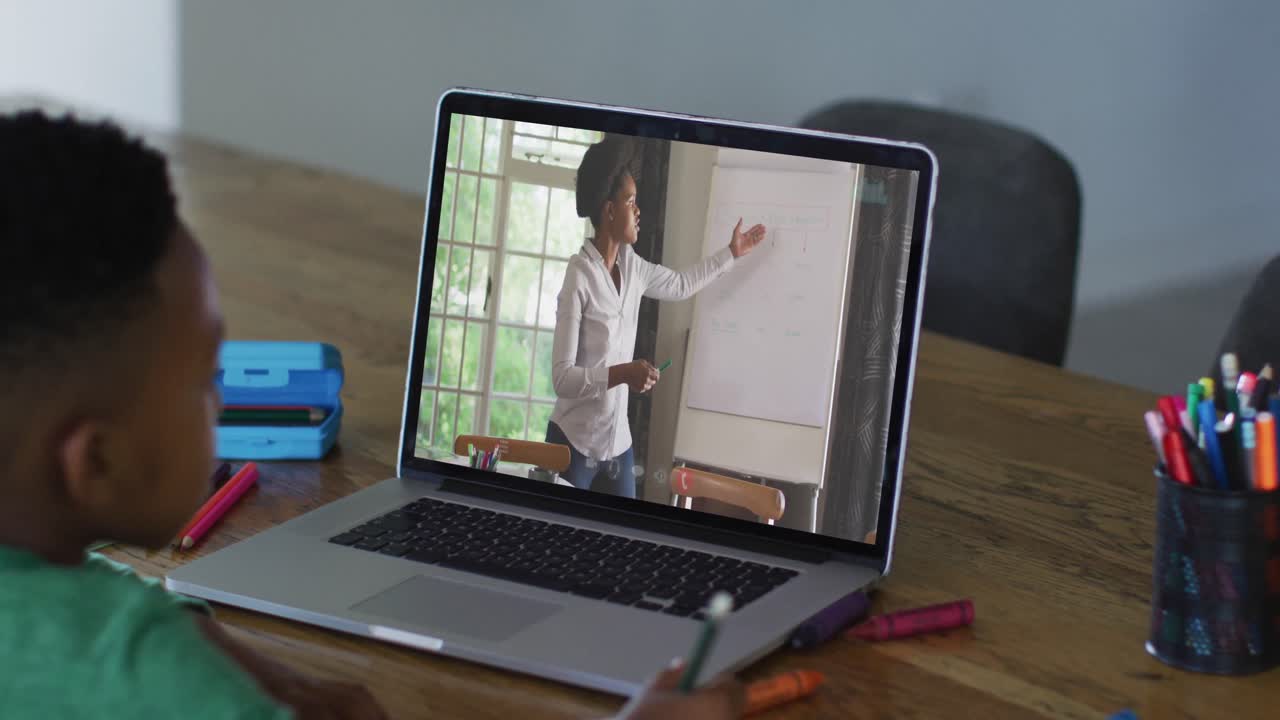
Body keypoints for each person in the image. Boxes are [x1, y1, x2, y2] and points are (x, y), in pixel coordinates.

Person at [0, 112, 742, 720]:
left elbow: (86, 593)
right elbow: (564, 376)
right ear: (95, 461)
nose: (222, 400)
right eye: (204, 378)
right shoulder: (157, 679)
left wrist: (207, 638)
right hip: (582, 434)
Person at [547, 137, 766, 499]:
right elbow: (562, 379)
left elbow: (680, 284)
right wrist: (623, 374)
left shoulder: (633, 266)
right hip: (572, 443)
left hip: (617, 443)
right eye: (630, 201)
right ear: (609, 211)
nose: (637, 211)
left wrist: (731, 253)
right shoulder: (579, 276)